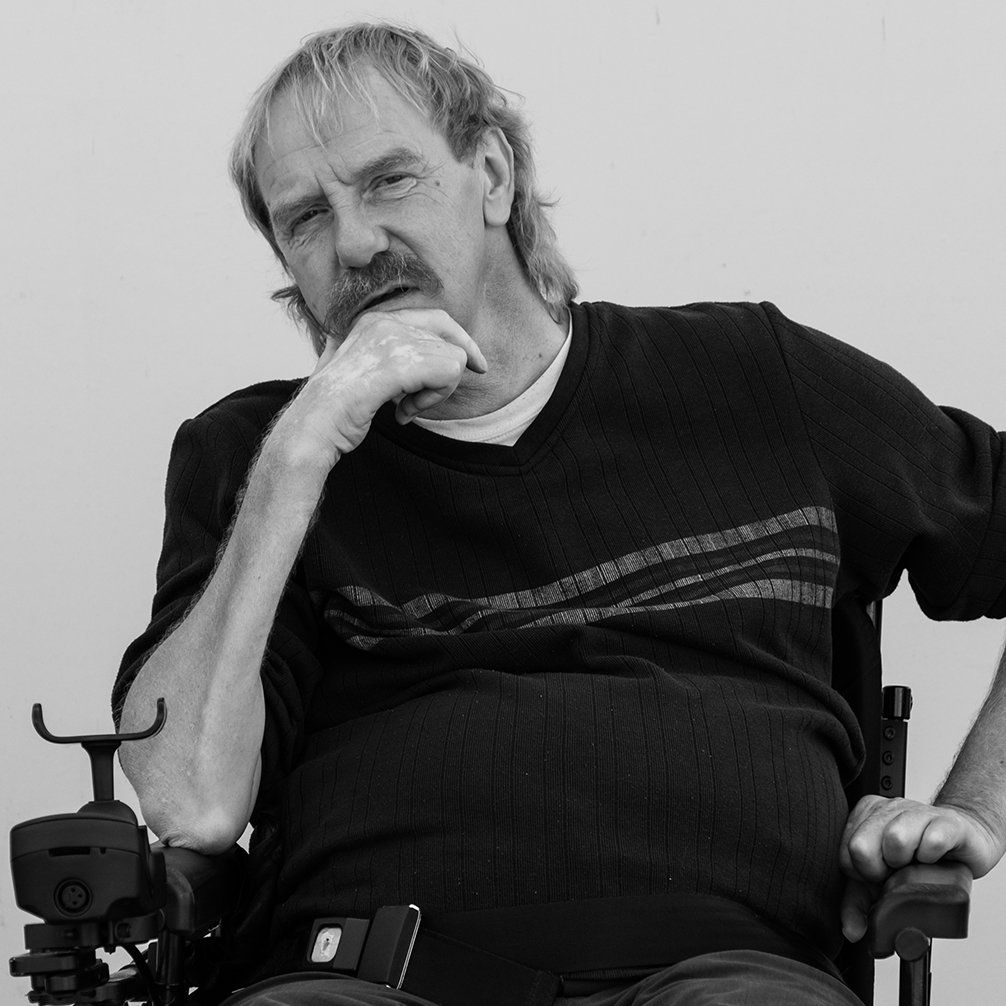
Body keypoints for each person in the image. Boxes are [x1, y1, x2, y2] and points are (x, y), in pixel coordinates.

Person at [113, 22, 1006, 1006]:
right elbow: (189, 803)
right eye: (305, 218)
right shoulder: (260, 460)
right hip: (369, 976)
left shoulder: (756, 382)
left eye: (390, 181)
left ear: (492, 176)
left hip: (730, 969)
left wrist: (975, 811)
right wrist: (300, 451)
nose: (354, 242)